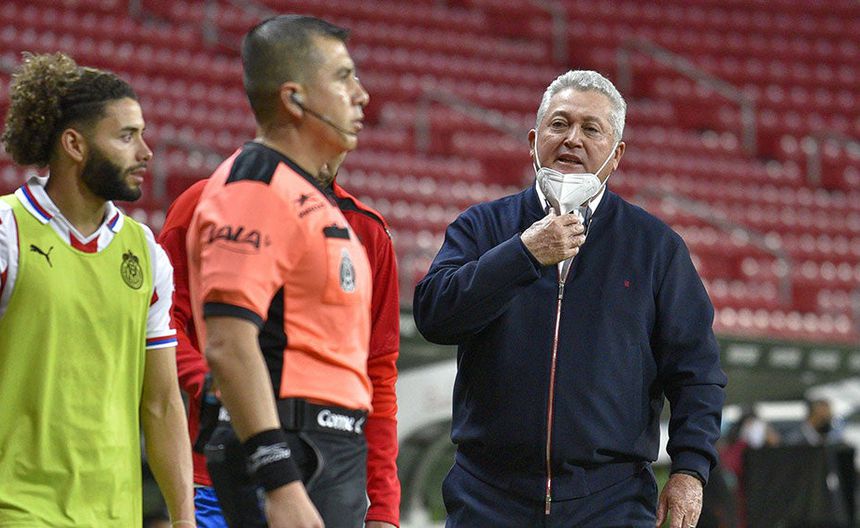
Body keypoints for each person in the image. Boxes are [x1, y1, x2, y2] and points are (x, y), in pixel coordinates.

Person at [413, 70, 727, 528]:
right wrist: (523, 254)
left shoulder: (656, 247)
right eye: (559, 124)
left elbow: (696, 371)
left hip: (612, 502)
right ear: (533, 140)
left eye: (591, 129)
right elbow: (435, 316)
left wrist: (690, 470)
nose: (572, 139)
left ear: (616, 155)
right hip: (488, 496)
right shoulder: (482, 227)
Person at [186, 14, 374, 528]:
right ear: (294, 98)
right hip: (293, 451)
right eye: (343, 77)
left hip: (324, 447)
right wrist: (280, 481)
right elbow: (228, 342)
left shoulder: (302, 192)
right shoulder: (255, 187)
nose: (361, 95)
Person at [0, 52, 195, 526]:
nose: (146, 152)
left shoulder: (145, 251)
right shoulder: (7, 231)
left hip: (117, 514)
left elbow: (162, 404)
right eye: (127, 136)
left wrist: (184, 519)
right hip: (18, 509)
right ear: (74, 144)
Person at [159, 152, 401, 527]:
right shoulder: (208, 201)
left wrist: (383, 505)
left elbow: (378, 371)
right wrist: (212, 384)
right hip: (214, 470)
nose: (356, 114)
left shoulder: (366, 230)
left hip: (328, 473)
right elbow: (162, 321)